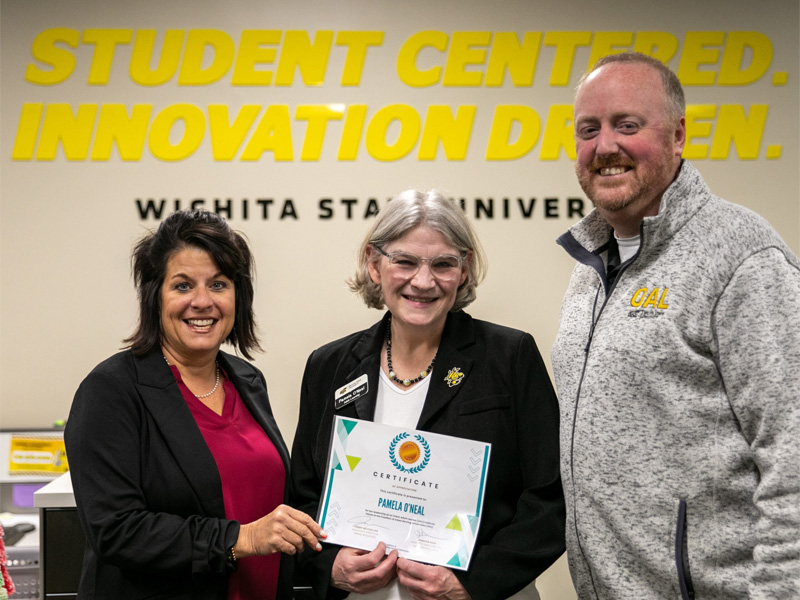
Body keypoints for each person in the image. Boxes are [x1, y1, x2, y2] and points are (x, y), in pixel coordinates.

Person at [551, 51, 800, 599]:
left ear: (679, 136)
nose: (605, 146)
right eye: (588, 129)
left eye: (628, 125)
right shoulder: (592, 266)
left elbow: (793, 456)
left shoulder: (741, 257)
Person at [290, 189, 566, 600]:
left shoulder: (509, 357)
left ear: (465, 268)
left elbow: (551, 498)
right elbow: (304, 497)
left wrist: (469, 583)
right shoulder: (329, 366)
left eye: (442, 264)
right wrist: (330, 566)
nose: (423, 281)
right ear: (374, 264)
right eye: (404, 261)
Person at [65, 209, 326, 600]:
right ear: (156, 296)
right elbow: (115, 530)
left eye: (218, 284)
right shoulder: (111, 390)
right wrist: (242, 538)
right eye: (183, 286)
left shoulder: (247, 380)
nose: (202, 302)